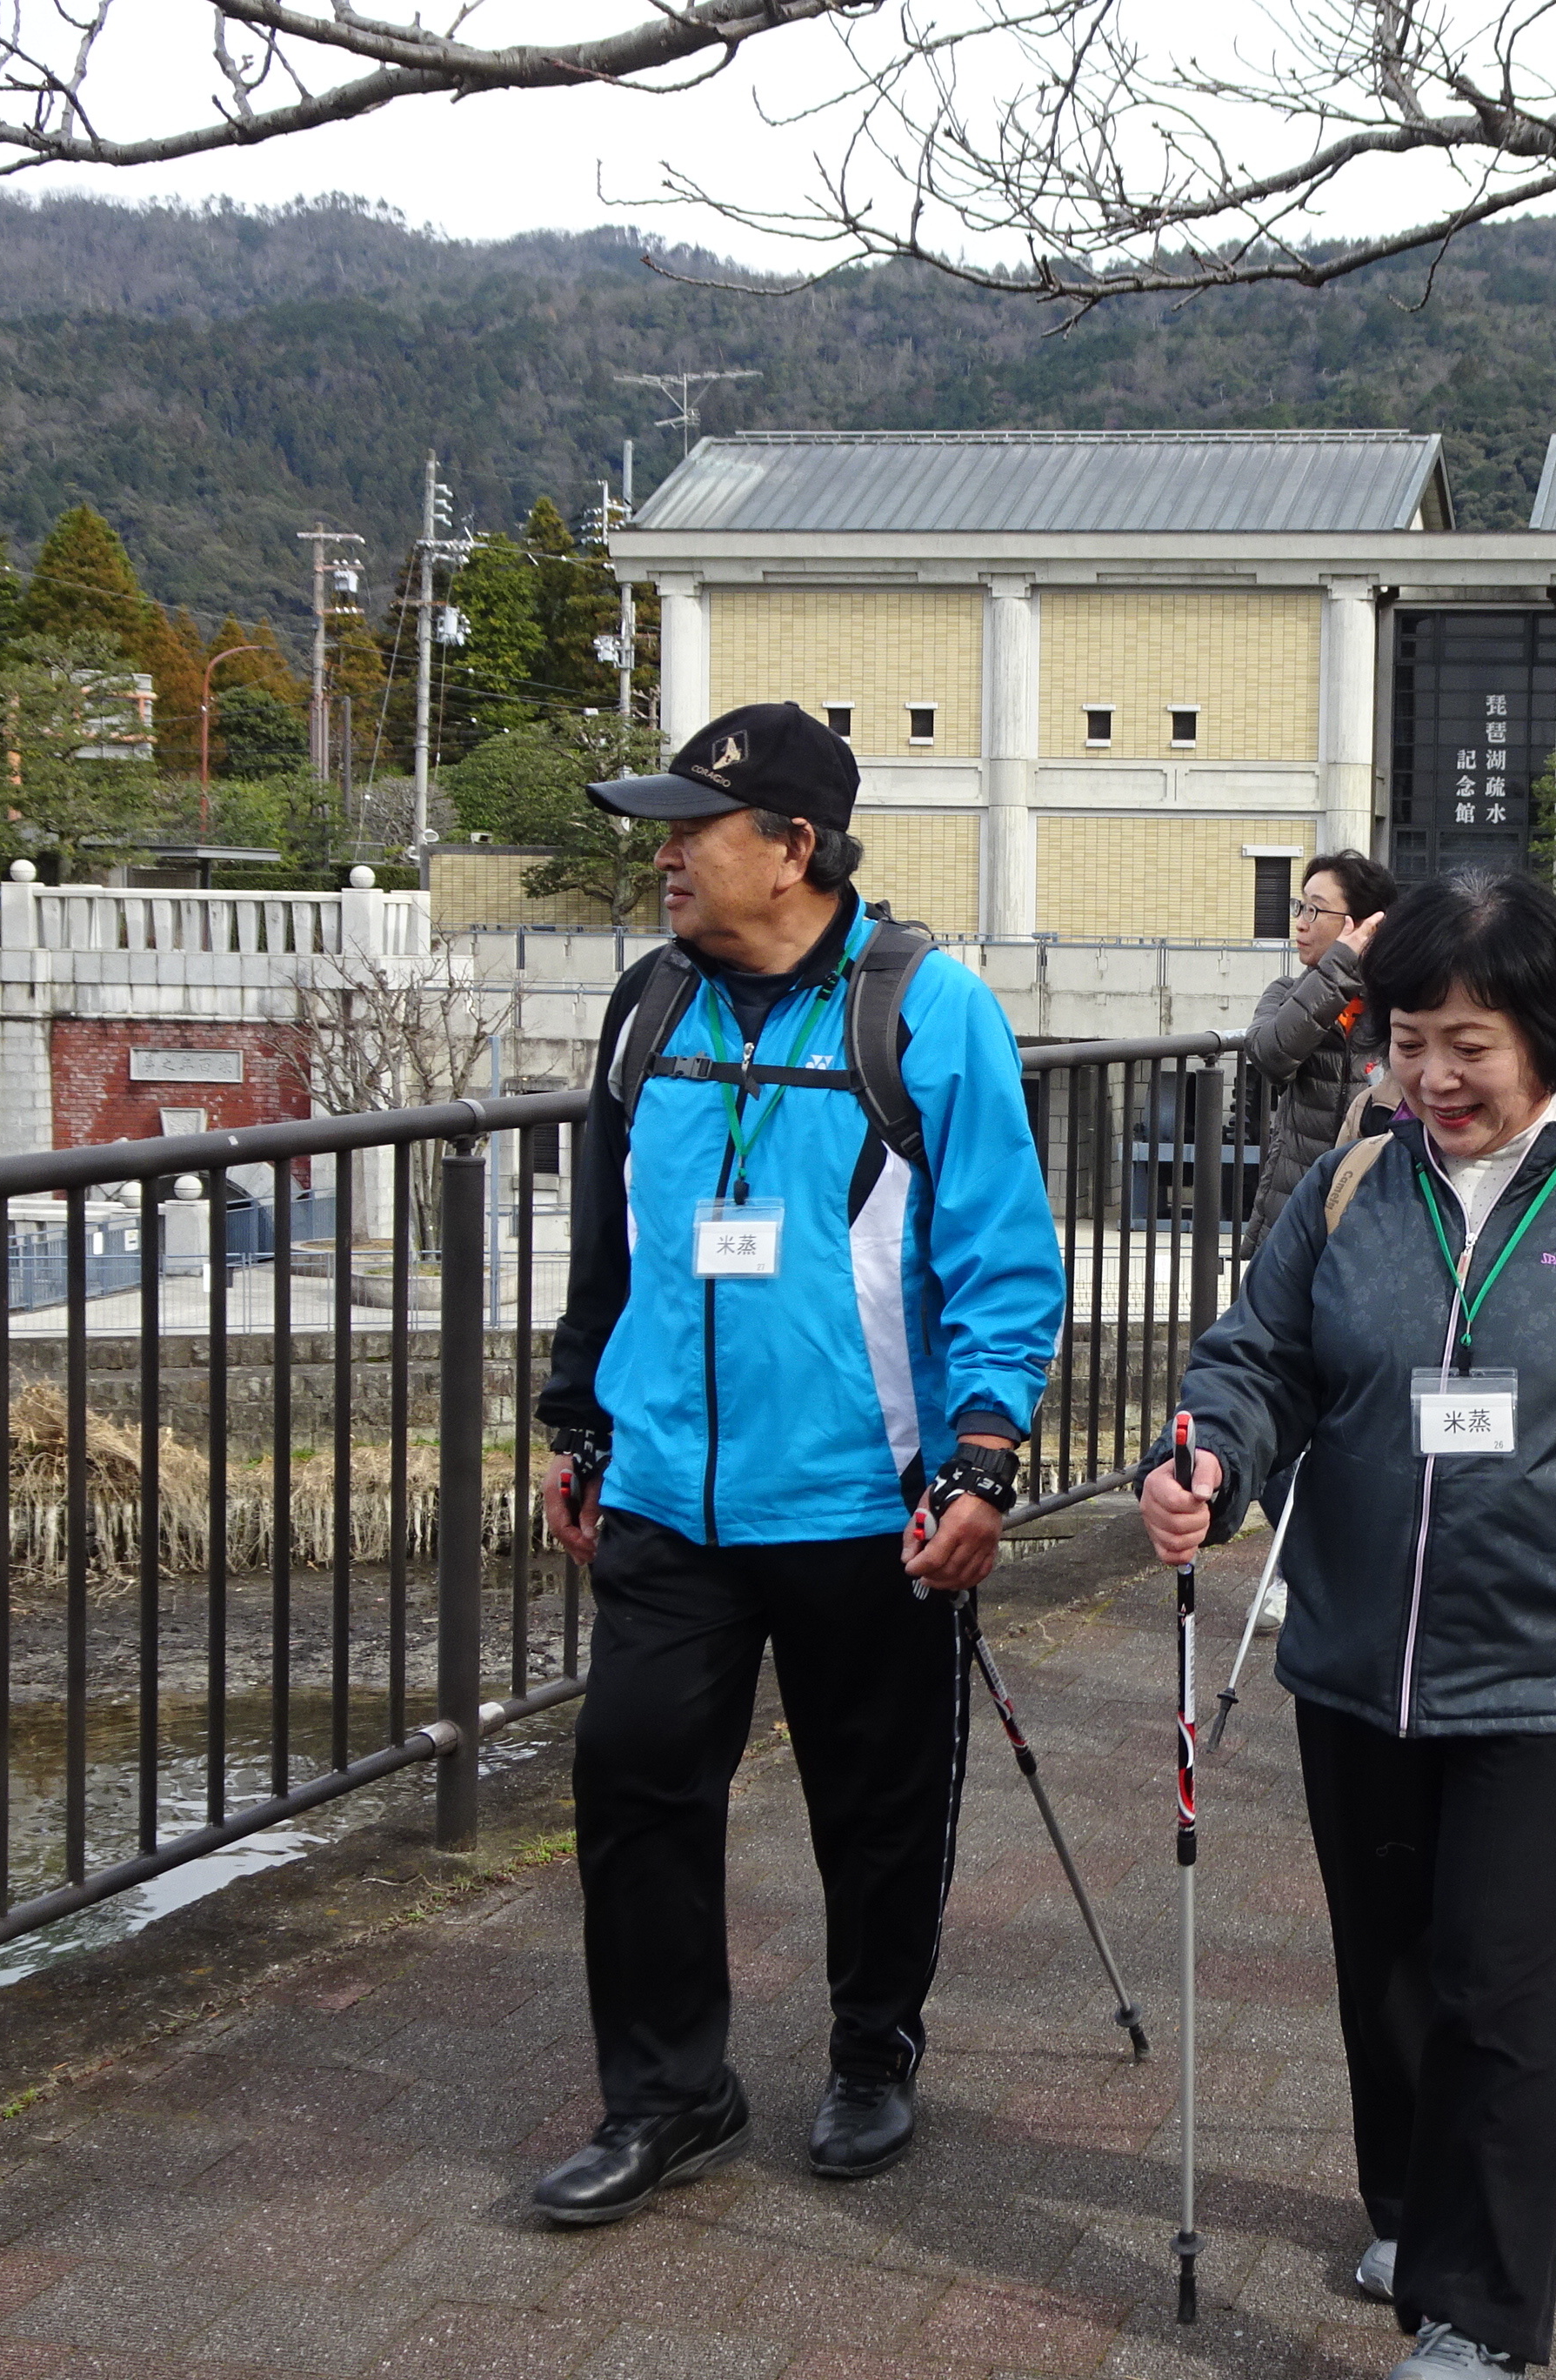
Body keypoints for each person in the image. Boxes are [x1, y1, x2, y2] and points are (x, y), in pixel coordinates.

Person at [1139, 870, 1556, 2379]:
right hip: (1353, 1651)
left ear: (1550, 1046)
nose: (1431, 1077)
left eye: (1469, 1045)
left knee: (1494, 1984)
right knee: (1383, 1965)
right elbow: (1258, 1362)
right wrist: (1207, 1456)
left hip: (1543, 1666)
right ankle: (1407, 2205)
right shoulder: (1347, 1194)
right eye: (1408, 1043)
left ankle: (1483, 2312)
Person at [530, 701, 1065, 2221]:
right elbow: (608, 1240)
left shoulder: (928, 1012)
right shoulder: (647, 1008)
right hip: (668, 1493)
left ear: (795, 849)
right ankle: (668, 2094)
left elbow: (1004, 1267)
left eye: (692, 833)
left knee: (875, 1799)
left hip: (863, 1496)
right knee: (632, 1780)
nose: (665, 861)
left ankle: (870, 2047)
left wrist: (978, 1462)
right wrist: (578, 1415)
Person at [1243, 849, 1400, 1260]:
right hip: (1291, 1206)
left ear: (1364, 924)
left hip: (1372, 1210)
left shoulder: (1398, 1008)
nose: (1300, 922)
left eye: (1316, 910)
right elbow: (1270, 1054)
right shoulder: (1286, 992)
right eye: (1301, 906)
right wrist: (1337, 969)